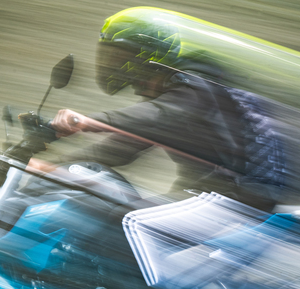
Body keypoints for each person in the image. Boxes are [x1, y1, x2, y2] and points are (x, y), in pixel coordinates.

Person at [29, 8, 286, 214]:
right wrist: (49, 168)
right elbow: (116, 151)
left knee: (119, 221)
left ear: (144, 55)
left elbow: (158, 115)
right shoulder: (166, 97)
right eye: (106, 56)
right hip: (208, 195)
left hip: (237, 201)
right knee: (95, 189)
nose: (108, 64)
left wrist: (85, 121)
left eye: (117, 56)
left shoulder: (195, 89)